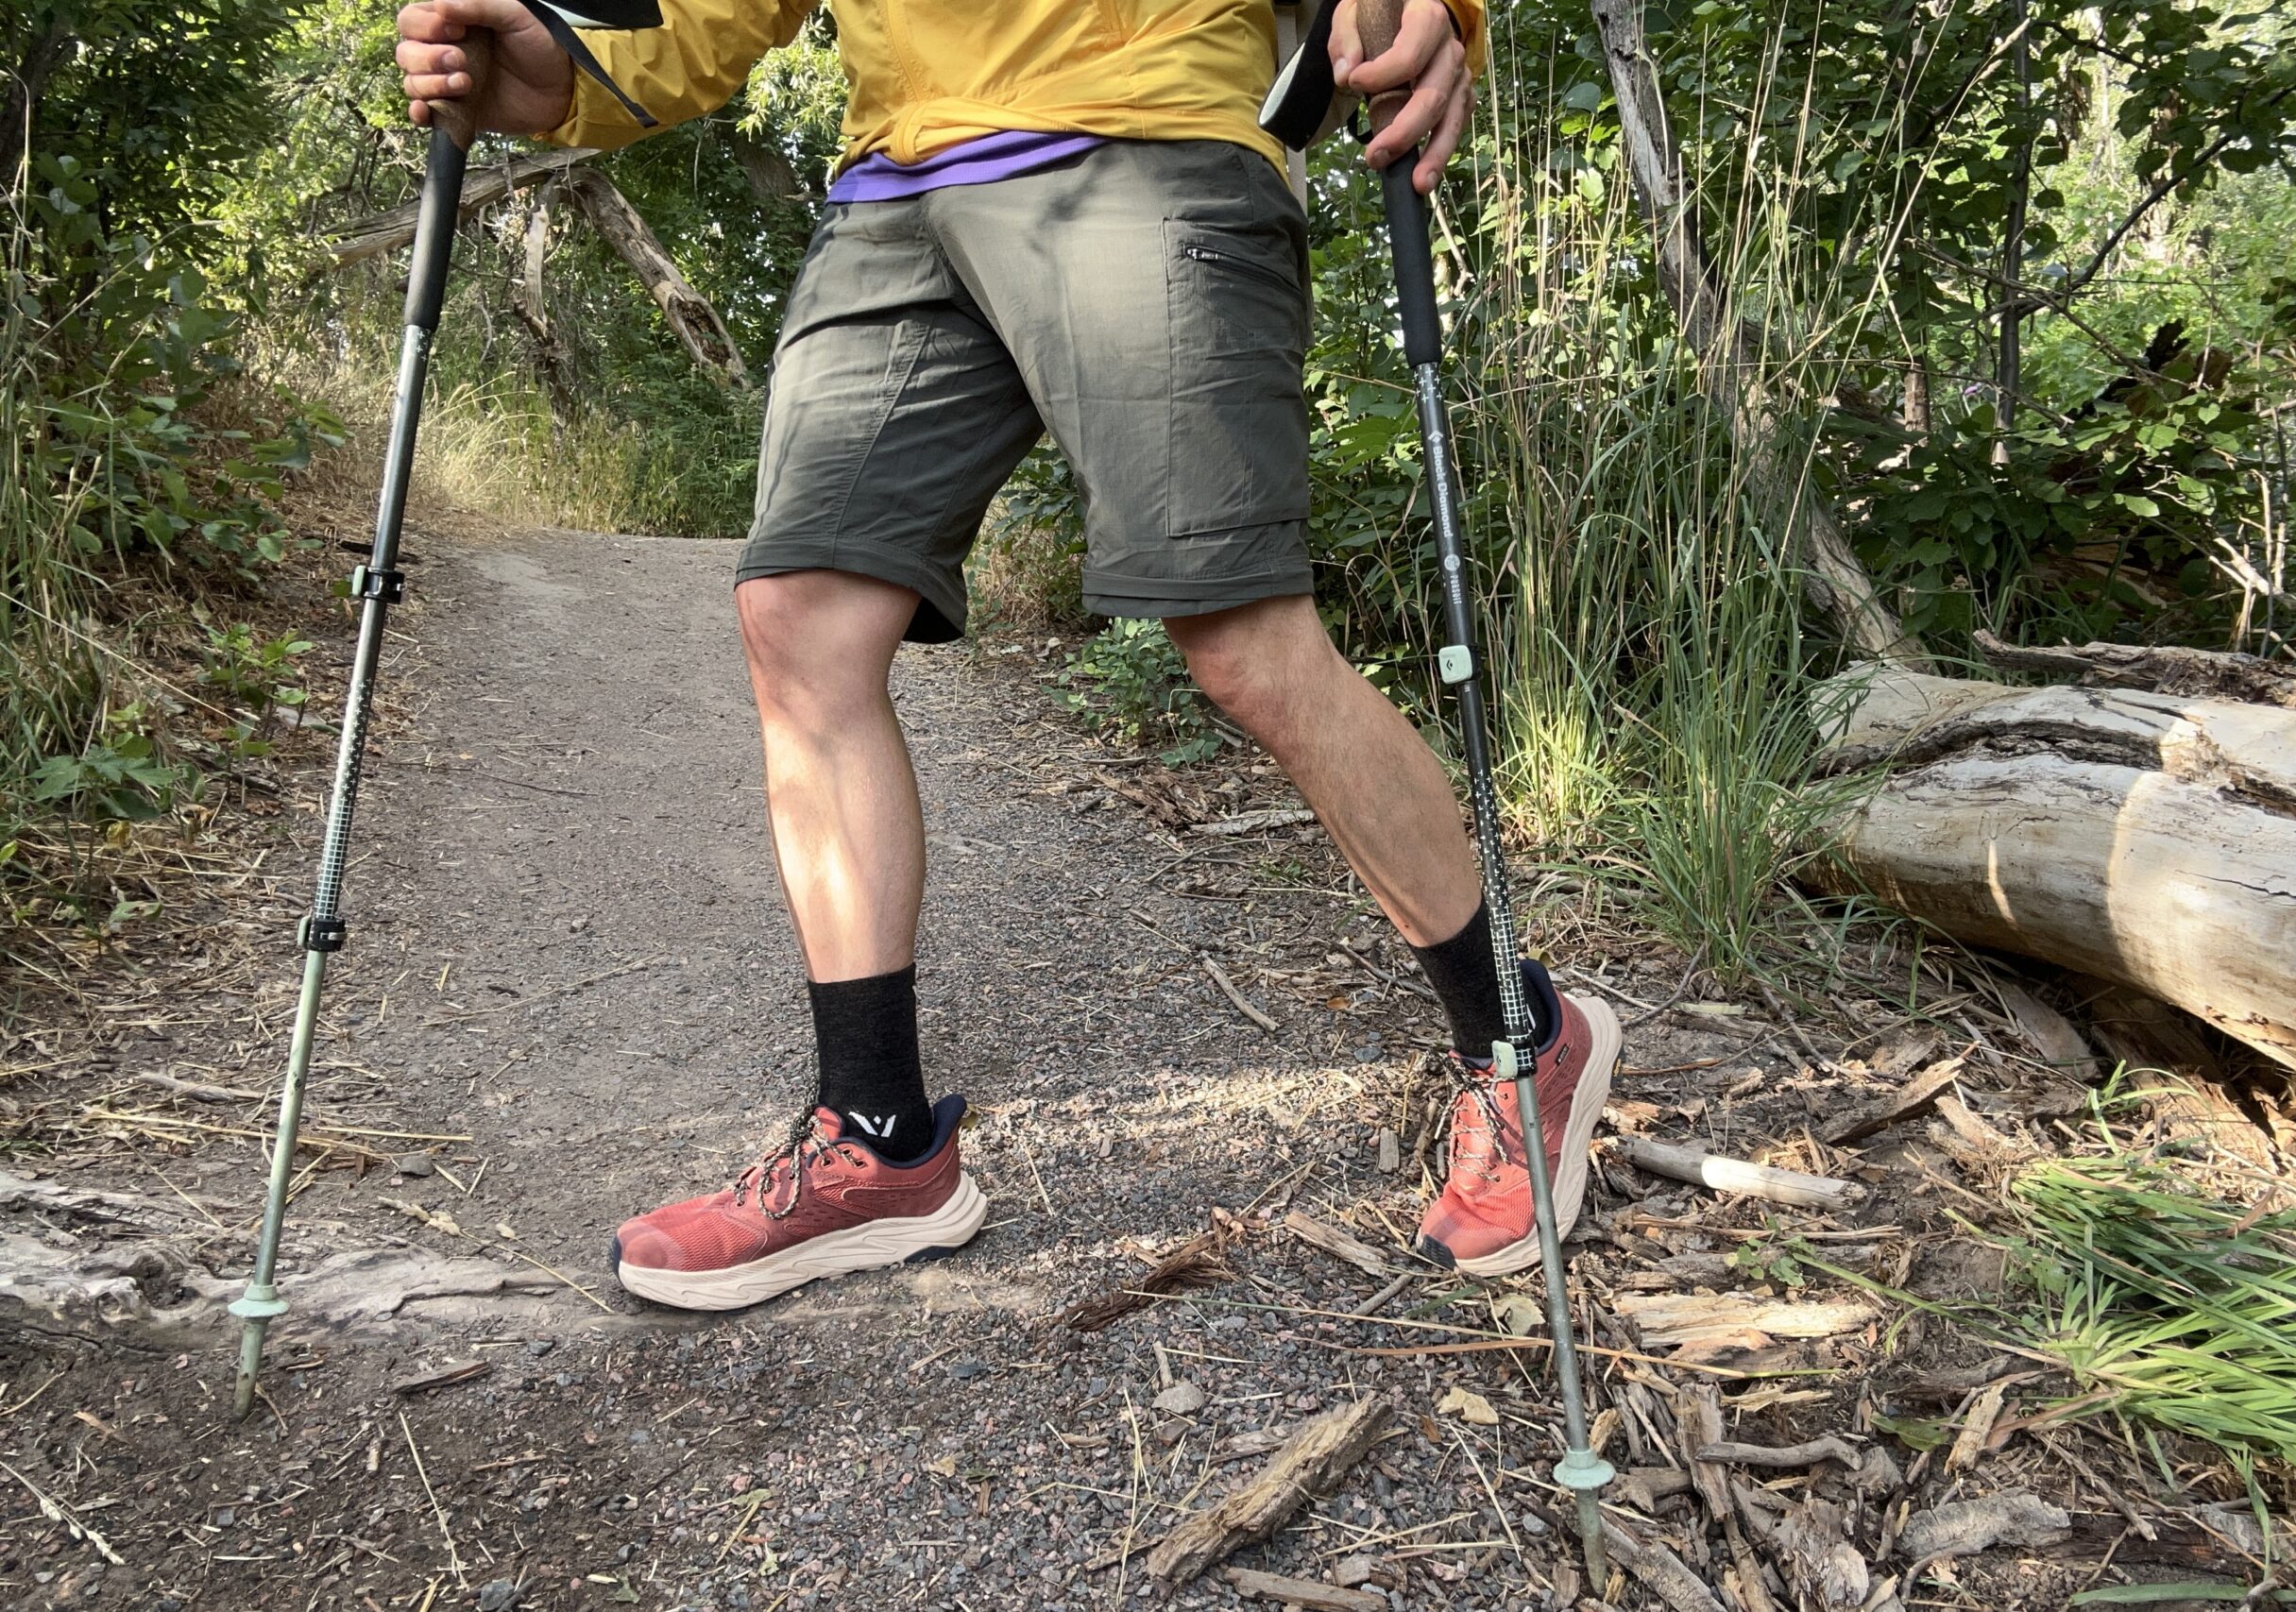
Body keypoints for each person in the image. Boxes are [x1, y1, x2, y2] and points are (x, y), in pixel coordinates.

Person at [392, 0, 1620, 1311]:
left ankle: (1520, 1035)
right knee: (801, 614)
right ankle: (879, 1142)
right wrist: (554, 72)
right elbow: (705, 18)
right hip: (893, 185)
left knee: (1245, 644)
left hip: (1147, 131)